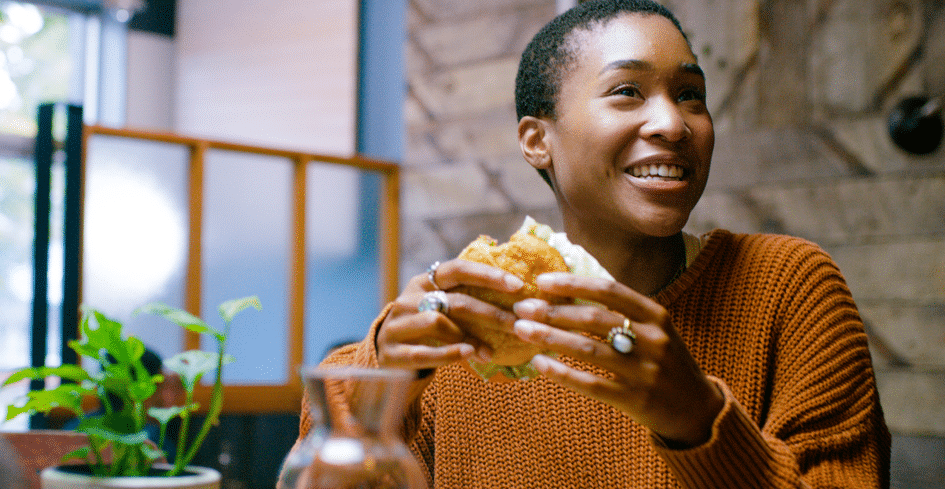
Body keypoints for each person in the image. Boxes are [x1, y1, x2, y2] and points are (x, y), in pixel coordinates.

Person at [291, 0, 890, 487]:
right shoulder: (467, 325)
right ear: (535, 141)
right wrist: (383, 373)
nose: (673, 124)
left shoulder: (788, 285)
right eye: (627, 91)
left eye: (691, 96)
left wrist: (698, 419)